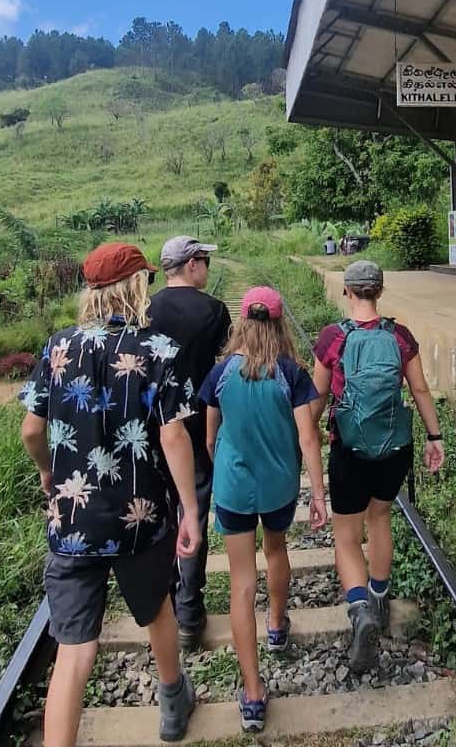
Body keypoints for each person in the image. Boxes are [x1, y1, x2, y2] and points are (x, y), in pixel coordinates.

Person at [19, 242, 200, 746]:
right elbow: (172, 435)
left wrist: (47, 473)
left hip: (72, 521)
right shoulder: (158, 349)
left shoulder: (57, 348)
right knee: (157, 607)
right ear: (136, 287)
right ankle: (172, 702)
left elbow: (32, 430)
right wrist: (189, 508)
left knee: (74, 650)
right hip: (139, 517)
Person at [199, 286, 327, 733]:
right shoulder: (290, 373)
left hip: (234, 488)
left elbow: (211, 436)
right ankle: (275, 624)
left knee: (240, 582)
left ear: (243, 323)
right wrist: (318, 493)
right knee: (275, 551)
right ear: (278, 324)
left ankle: (252, 692)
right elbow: (308, 436)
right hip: (277, 486)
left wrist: (225, 463)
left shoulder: (221, 373)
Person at [311, 260, 444, 672]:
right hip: (394, 448)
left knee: (347, 537)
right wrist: (435, 437)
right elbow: (419, 388)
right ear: (379, 292)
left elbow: (317, 397)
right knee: (381, 518)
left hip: (349, 450)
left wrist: (304, 434)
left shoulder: (333, 338)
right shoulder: (400, 337)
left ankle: (360, 610)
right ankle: (381, 598)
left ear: (348, 292)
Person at [148, 236, 232, 651]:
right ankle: (188, 611)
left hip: (149, 430)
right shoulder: (214, 310)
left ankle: (162, 600)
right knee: (192, 512)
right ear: (192, 264)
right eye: (206, 261)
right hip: (197, 427)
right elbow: (224, 367)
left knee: (159, 511)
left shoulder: (145, 310)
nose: (208, 268)